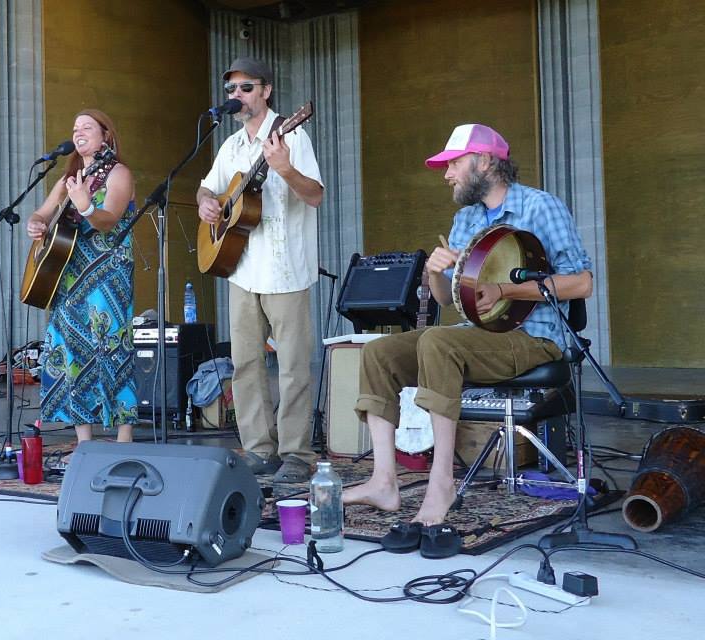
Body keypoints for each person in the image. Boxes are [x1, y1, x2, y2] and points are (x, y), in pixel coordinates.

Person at [344, 123, 593, 530]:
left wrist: (505, 289)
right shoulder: (465, 219)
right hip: (473, 334)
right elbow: (447, 300)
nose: (447, 174)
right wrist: (436, 272)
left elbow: (582, 282)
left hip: (535, 337)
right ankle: (383, 481)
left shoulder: (539, 206)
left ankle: (441, 483)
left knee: (440, 343)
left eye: (454, 163)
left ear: (485, 161)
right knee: (379, 352)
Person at [196, 58, 324, 483]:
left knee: (292, 367)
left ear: (266, 91)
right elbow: (207, 185)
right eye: (232, 90)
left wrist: (284, 168)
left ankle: (297, 454)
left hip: (285, 270)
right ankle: (258, 449)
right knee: (246, 364)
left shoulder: (293, 135)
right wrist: (205, 203)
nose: (238, 97)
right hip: (241, 267)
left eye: (246, 88)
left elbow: (316, 196)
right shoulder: (231, 146)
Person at [26, 109, 138, 444]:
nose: (79, 132)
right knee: (71, 347)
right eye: (75, 128)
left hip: (108, 271)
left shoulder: (119, 173)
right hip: (69, 272)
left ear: (106, 135)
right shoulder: (70, 177)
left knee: (111, 346)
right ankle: (84, 440)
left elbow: (109, 219)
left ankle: (124, 436)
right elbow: (44, 212)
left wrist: (86, 205)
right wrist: (37, 222)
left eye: (87, 127)